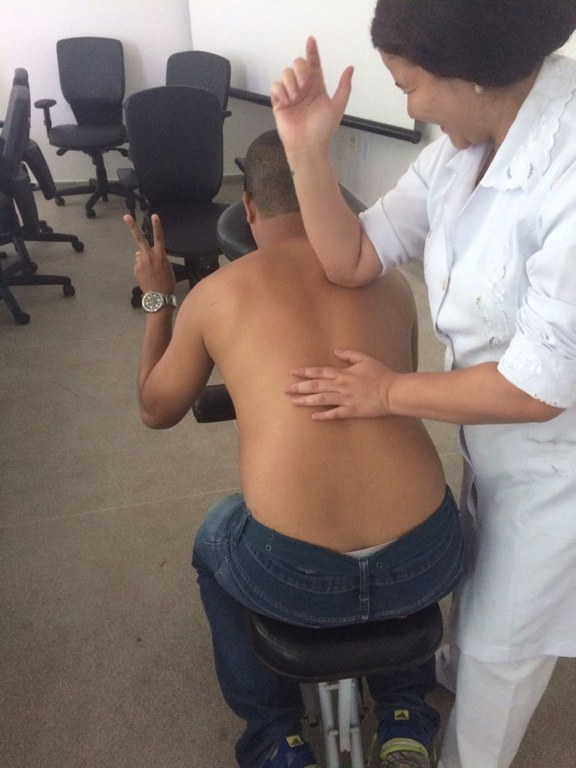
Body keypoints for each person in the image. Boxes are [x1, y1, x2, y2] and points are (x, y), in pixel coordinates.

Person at [270, 2, 576, 767]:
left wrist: (387, 393)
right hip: (496, 437)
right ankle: (456, 667)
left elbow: (537, 388)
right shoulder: (461, 149)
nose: (409, 109)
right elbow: (354, 258)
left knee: (507, 650)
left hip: (558, 457)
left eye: (410, 87)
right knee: (479, 582)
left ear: (472, 75)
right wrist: (308, 153)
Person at [125, 129, 465, 768]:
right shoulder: (392, 284)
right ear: (328, 191)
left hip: (295, 579)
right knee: (399, 506)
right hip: (425, 559)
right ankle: (404, 716)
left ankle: (274, 737)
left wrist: (158, 297)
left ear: (248, 208)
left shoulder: (216, 294)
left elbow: (155, 410)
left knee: (216, 534)